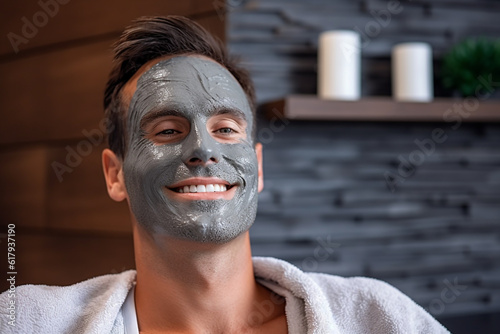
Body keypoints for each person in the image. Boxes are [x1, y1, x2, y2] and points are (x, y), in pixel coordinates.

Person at [0, 16, 450, 334]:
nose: (202, 149)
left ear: (257, 167)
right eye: (169, 130)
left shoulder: (378, 318)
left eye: (226, 129)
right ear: (114, 174)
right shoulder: (25, 322)